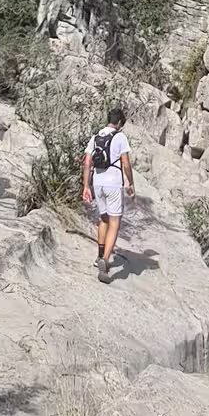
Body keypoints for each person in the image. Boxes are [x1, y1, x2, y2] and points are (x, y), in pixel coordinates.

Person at [82, 105, 134, 283]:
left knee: (103, 219)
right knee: (114, 223)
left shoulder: (95, 137)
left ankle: (99, 255)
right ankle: (105, 260)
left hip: (98, 182)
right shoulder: (120, 137)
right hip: (113, 183)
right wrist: (131, 183)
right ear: (119, 122)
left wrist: (86, 187)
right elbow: (125, 163)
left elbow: (87, 162)